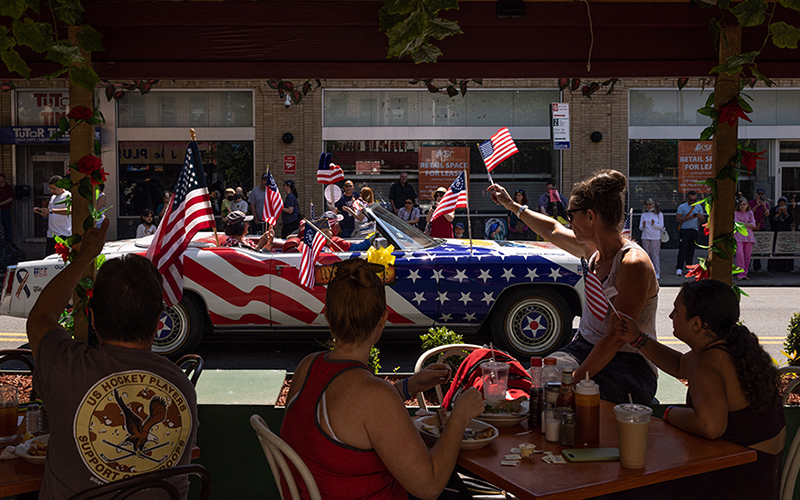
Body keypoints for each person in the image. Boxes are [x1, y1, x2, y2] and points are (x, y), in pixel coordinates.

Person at [281, 258, 484, 500]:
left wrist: (407, 387)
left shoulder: (308, 366)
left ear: (328, 316)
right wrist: (460, 415)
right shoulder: (373, 395)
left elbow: (352, 418)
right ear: (382, 319)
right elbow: (429, 486)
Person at [26, 220, 199, 499]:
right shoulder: (181, 385)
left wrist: (84, 257)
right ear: (158, 323)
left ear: (92, 318)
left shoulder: (66, 367)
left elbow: (41, 317)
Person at [487, 170, 658, 404]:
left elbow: (615, 338)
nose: (567, 222)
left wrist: (573, 382)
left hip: (629, 363)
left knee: (571, 400)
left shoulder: (632, 264)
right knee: (537, 382)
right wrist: (512, 206)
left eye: (570, 214)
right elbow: (551, 230)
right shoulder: (593, 250)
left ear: (590, 216)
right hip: (584, 348)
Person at [613, 279, 784, 500]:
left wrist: (668, 413)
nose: (671, 316)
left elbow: (710, 426)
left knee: (622, 489)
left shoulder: (707, 362)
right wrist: (638, 338)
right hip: (761, 478)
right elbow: (678, 366)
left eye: (676, 310)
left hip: (735, 482)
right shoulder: (728, 345)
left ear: (696, 324)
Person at [33, 175, 71, 256]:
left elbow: (70, 210)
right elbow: (49, 214)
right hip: (51, 234)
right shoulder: (53, 197)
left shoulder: (68, 196)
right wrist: (40, 211)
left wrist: (52, 210)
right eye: (50, 188)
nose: (51, 191)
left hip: (63, 233)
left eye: (54, 189)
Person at [675, 190, 705, 276]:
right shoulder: (682, 207)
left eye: (694, 200)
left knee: (691, 249)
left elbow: (703, 220)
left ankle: (689, 267)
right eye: (691, 200)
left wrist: (700, 216)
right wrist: (689, 218)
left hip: (694, 230)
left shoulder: (698, 207)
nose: (692, 202)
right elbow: (677, 219)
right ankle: (679, 267)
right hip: (684, 230)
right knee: (683, 249)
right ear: (687, 199)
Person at [639, 198, 664, 280]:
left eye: (650, 204)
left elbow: (661, 226)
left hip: (655, 237)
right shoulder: (643, 215)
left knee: (655, 255)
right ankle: (647, 272)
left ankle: (657, 272)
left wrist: (654, 224)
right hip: (645, 236)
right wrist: (643, 225)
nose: (648, 206)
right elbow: (640, 228)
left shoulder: (659, 214)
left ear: (654, 205)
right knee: (647, 255)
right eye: (647, 204)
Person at [767, 196, 794, 273]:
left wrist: (785, 213)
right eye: (780, 203)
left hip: (786, 233)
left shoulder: (788, 210)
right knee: (775, 249)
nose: (782, 205)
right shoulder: (773, 210)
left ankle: (786, 267)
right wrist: (777, 214)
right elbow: (771, 221)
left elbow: (791, 221)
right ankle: (774, 267)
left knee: (786, 249)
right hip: (776, 232)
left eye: (783, 203)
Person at [749, 188, 770, 274]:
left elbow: (767, 214)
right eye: (759, 194)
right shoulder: (751, 203)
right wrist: (756, 206)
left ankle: (757, 267)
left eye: (762, 194)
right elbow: (749, 213)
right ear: (756, 194)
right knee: (750, 248)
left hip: (761, 226)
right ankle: (747, 266)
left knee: (758, 248)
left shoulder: (765, 204)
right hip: (752, 226)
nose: (760, 195)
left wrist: (764, 207)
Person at [734, 197, 756, 281]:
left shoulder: (750, 213)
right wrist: (747, 223)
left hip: (748, 237)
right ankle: (740, 273)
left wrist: (742, 223)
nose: (742, 206)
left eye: (744, 204)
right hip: (738, 236)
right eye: (740, 204)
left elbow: (753, 225)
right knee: (740, 254)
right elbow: (736, 223)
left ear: (747, 205)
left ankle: (745, 273)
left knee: (747, 256)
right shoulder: (736, 213)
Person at [0, 173, 14, 240]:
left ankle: (9, 241)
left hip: (6, 209)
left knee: (7, 225)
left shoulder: (8, 187)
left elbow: (10, 198)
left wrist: (1, 203)